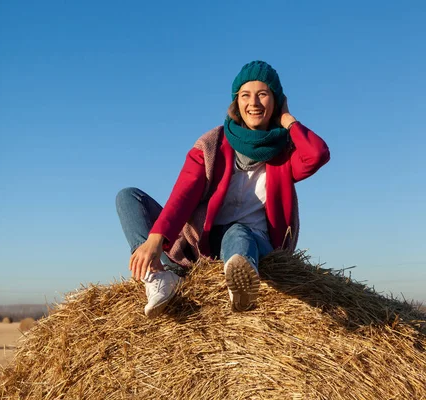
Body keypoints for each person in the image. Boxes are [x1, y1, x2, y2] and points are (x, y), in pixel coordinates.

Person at [116, 61, 330, 318]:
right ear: (236, 102)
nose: (254, 102)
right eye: (245, 95)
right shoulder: (212, 145)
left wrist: (287, 120)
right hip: (204, 241)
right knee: (128, 196)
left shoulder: (284, 154)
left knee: (237, 231)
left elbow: (316, 154)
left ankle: (241, 283)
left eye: (263, 94)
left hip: (256, 241)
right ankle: (157, 276)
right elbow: (184, 194)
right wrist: (154, 240)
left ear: (276, 100)